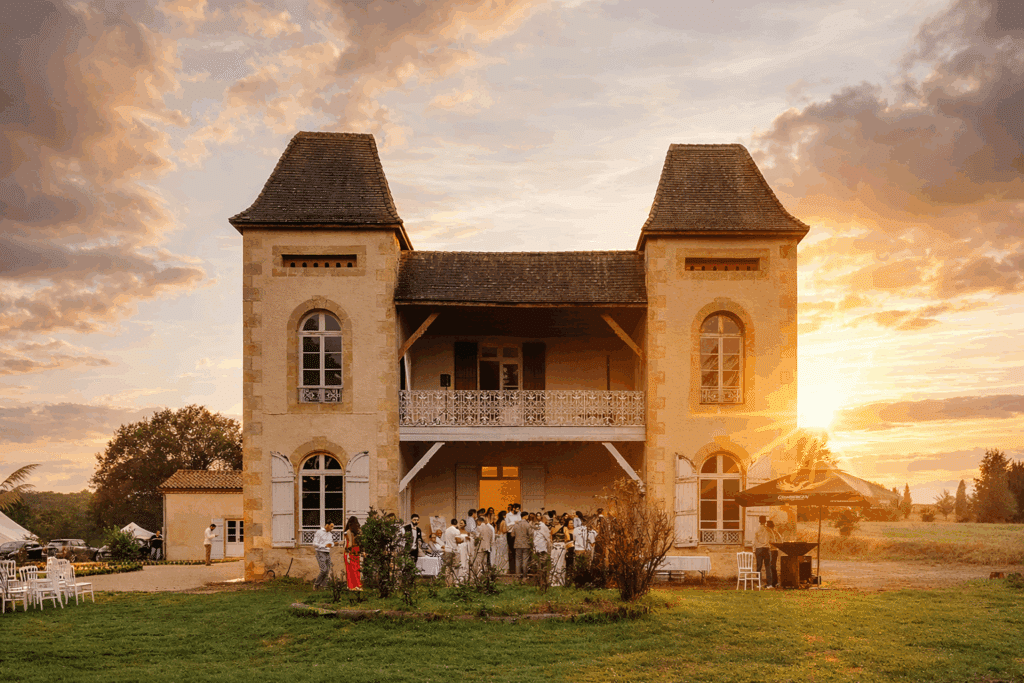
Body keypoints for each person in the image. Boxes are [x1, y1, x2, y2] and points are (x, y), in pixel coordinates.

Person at [312, 522, 335, 589]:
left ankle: (323, 586)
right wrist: (324, 546)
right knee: (323, 570)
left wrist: (333, 544)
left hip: (327, 552)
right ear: (327, 525)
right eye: (331, 526)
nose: (332, 528)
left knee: (327, 570)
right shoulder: (319, 532)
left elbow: (331, 543)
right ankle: (316, 584)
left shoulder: (330, 534)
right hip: (320, 552)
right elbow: (314, 544)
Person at [440, 518, 463, 585]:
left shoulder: (446, 530)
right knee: (456, 566)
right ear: (456, 523)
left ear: (451, 523)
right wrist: (463, 540)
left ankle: (447, 582)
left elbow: (444, 540)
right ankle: (455, 581)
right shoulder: (456, 531)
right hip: (455, 550)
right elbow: (458, 541)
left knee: (447, 566)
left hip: (447, 550)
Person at [754, 515, 773, 589]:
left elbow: (754, 541)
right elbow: (772, 539)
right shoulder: (768, 529)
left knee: (759, 567)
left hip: (758, 549)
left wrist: (754, 549)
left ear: (759, 521)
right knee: (768, 567)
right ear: (765, 521)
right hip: (767, 548)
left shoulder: (756, 529)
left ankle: (759, 583)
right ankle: (769, 584)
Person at [343, 516, 362, 591]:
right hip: (353, 551)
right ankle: (354, 585)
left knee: (353, 570)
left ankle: (354, 585)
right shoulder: (351, 532)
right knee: (354, 569)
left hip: (353, 551)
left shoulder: (351, 532)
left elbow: (349, 543)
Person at [511, 512, 532, 577]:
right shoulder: (528, 525)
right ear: (525, 516)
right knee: (525, 559)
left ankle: (518, 575)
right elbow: (531, 535)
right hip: (526, 544)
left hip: (517, 544)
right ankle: (524, 576)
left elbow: (512, 534)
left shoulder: (516, 524)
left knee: (518, 559)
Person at [506, 503, 522, 574]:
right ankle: (512, 569)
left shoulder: (519, 514)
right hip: (510, 533)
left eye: (519, 509)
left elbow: (520, 522)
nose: (518, 510)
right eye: (517, 509)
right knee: (512, 551)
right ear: (513, 508)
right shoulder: (508, 515)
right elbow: (507, 525)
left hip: (518, 534)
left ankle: (518, 568)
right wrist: (513, 522)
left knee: (518, 551)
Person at [767, 520, 782, 588]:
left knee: (772, 566)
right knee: (771, 566)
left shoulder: (775, 533)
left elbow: (780, 542)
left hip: (773, 551)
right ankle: (772, 582)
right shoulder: (774, 533)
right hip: (771, 551)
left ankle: (774, 582)